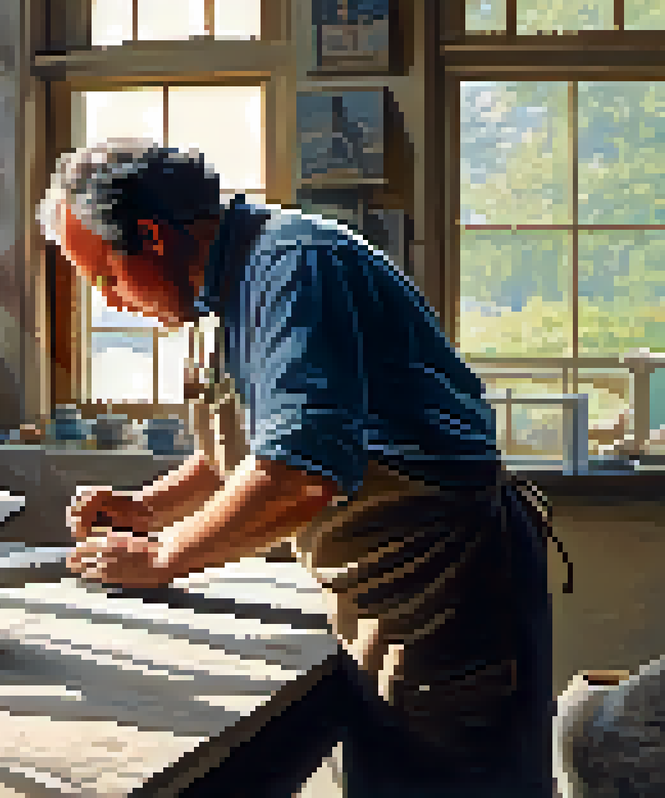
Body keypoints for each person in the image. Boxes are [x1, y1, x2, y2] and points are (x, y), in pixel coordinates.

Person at [38, 139, 563, 797]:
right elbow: (246, 446)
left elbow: (296, 474)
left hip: (443, 592)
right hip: (382, 593)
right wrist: (149, 509)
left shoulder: (292, 268)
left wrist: (163, 555)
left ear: (151, 236)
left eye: (104, 277)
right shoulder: (221, 287)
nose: (110, 302)